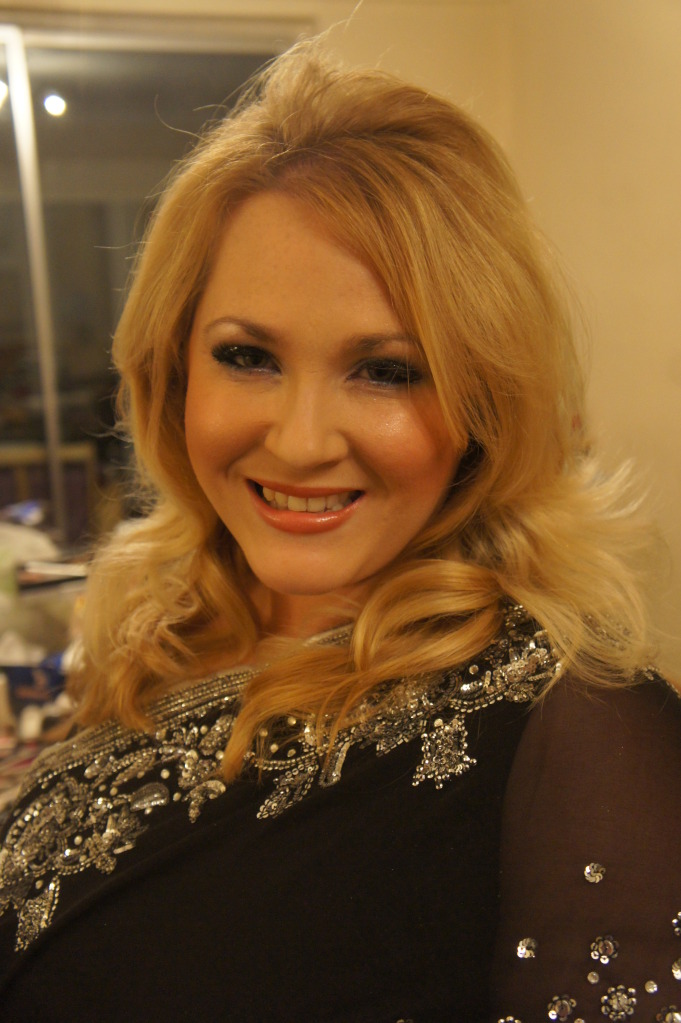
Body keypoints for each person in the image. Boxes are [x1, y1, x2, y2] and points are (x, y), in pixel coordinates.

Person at [0, 41, 679, 1023]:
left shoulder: (582, 734)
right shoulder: (157, 629)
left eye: (387, 370)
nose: (302, 440)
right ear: (174, 370)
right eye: (247, 356)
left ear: (483, 404)